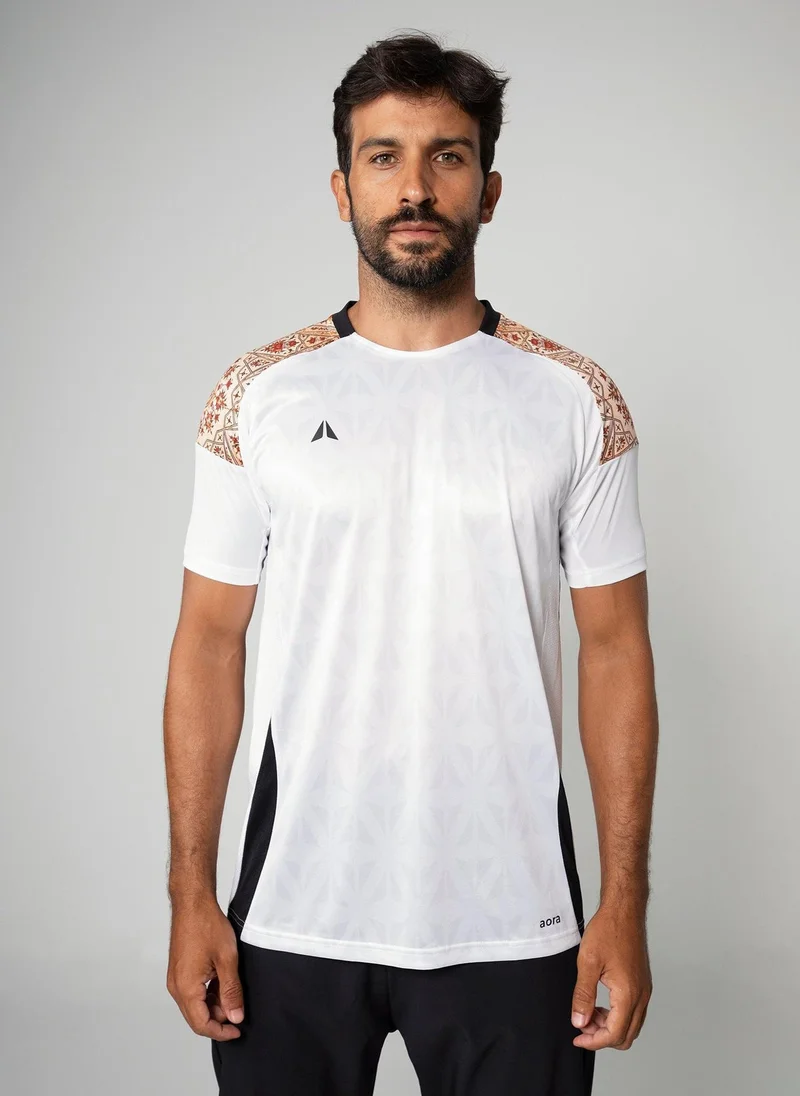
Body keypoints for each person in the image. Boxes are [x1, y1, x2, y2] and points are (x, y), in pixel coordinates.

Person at [164, 29, 657, 1096]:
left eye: (447, 155)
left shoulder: (575, 399)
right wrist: (190, 893)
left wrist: (623, 902)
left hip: (514, 920)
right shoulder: (259, 394)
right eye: (383, 157)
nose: (416, 188)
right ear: (342, 189)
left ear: (489, 188)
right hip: (291, 915)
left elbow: (615, 648)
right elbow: (208, 643)